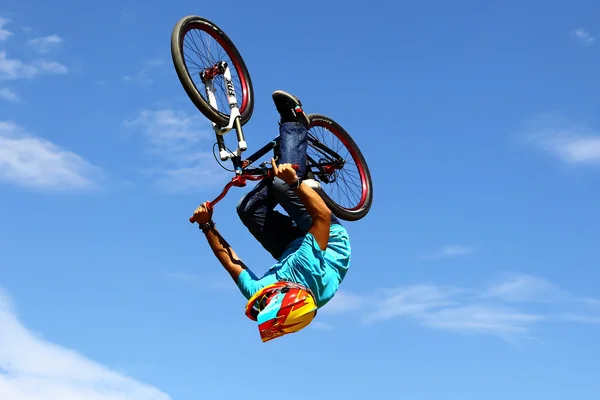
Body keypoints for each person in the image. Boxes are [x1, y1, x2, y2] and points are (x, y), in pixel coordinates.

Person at [191, 90, 351, 342]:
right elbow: (322, 216)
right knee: (282, 184)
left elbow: (232, 263)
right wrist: (296, 183)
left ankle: (286, 163)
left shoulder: (262, 294)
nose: (265, 299)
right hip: (327, 238)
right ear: (287, 294)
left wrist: (206, 225)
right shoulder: (307, 269)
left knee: (246, 208)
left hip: (291, 249)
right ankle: (295, 122)